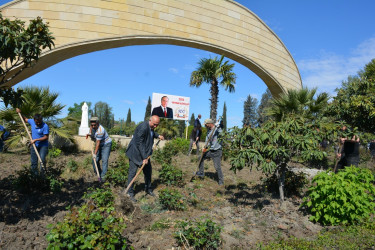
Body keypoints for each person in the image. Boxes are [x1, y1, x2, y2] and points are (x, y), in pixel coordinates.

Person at [126, 115, 164, 202]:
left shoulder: (151, 127)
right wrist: (144, 158)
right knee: (132, 173)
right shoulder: (143, 127)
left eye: (157, 125)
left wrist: (158, 136)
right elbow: (140, 144)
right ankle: (129, 193)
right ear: (150, 121)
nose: (155, 126)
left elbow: (152, 133)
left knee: (148, 172)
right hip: (135, 153)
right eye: (154, 124)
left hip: (145, 154)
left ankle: (148, 189)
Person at [16, 108, 49, 174]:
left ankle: (42, 176)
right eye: (37, 121)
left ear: (41, 119)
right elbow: (25, 119)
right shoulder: (32, 121)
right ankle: (34, 176)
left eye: (40, 121)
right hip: (34, 145)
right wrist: (20, 113)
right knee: (34, 161)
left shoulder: (45, 126)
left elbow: (46, 137)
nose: (39, 123)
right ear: (34, 120)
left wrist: (36, 139)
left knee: (42, 160)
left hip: (43, 146)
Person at [195, 119, 224, 185]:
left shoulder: (216, 129)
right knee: (200, 157)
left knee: (217, 167)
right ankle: (201, 172)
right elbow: (207, 140)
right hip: (211, 151)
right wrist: (205, 147)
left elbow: (222, 134)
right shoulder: (209, 131)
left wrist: (218, 127)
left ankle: (221, 181)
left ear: (209, 124)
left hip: (217, 151)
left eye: (206, 125)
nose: (205, 126)